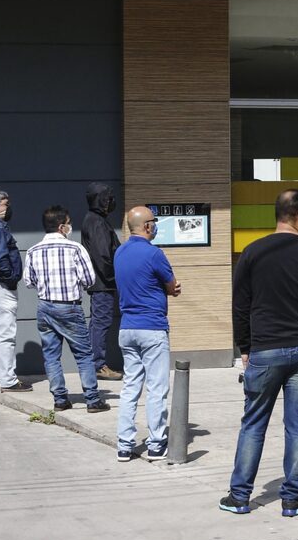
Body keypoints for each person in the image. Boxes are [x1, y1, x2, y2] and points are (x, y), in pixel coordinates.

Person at [221, 189, 298, 517]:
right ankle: (291, 499)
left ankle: (240, 496)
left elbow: (240, 306)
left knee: (254, 423)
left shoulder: (253, 253)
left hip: (265, 350)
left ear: (277, 215)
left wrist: (245, 346)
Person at [23, 206, 110, 413]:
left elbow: (29, 281)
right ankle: (92, 399)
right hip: (69, 306)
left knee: (51, 354)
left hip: (45, 306)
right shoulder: (75, 249)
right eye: (69, 223)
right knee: (83, 354)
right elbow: (89, 279)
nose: (71, 226)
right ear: (62, 226)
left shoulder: (33, 251)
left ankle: (60, 399)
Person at [114, 206, 181, 463]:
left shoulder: (120, 252)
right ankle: (155, 444)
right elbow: (171, 285)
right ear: (148, 226)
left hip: (127, 328)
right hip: (152, 327)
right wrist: (173, 290)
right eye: (154, 222)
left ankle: (124, 444)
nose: (156, 226)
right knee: (156, 388)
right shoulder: (154, 254)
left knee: (130, 387)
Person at [0, 189, 31, 395]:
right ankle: (8, 380)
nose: (8, 207)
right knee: (5, 335)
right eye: (5, 204)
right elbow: (0, 257)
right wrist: (10, 279)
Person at [81, 182, 124, 380]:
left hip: (101, 282)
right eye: (109, 198)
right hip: (103, 284)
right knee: (101, 322)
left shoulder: (95, 220)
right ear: (102, 200)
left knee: (98, 323)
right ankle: (98, 365)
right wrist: (114, 278)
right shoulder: (96, 222)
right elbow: (103, 256)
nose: (111, 202)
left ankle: (95, 364)